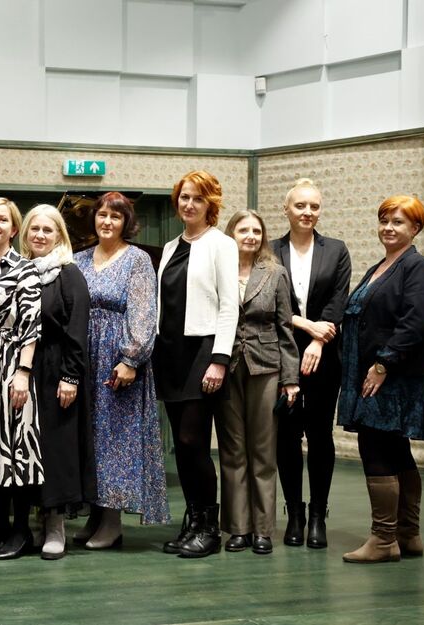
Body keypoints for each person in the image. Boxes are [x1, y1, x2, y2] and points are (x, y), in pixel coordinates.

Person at [337, 195, 424, 564]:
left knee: (377, 448)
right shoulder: (381, 266)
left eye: (398, 221)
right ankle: (407, 535)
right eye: (384, 220)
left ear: (415, 228)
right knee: (396, 450)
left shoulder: (418, 267)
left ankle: (384, 539)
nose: (389, 227)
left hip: (389, 376)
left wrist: (382, 365)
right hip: (373, 373)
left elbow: (415, 321)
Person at [72, 192, 170, 551]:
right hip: (84, 357)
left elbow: (144, 313)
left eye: (115, 216)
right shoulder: (78, 259)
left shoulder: (138, 260)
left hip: (117, 357)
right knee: (90, 436)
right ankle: (95, 513)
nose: (107, 222)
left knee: (115, 438)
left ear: (126, 222)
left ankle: (112, 520)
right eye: (102, 215)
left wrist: (130, 359)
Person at [154, 170, 239, 558]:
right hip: (169, 354)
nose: (189, 204)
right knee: (182, 450)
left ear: (210, 206)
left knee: (193, 442)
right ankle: (192, 520)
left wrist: (219, 360)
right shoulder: (171, 246)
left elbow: (228, 306)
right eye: (184, 197)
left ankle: (209, 529)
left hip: (203, 352)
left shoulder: (222, 244)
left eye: (197, 199)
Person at [271, 178, 351, 549]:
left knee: (319, 436)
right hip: (281, 356)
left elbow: (338, 303)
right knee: (286, 437)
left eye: (314, 206)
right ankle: (295, 514)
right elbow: (269, 306)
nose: (307, 212)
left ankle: (318, 514)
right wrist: (305, 327)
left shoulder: (336, 250)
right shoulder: (269, 252)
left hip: (326, 358)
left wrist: (319, 340)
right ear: (286, 209)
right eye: (300, 205)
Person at [217, 210, 300, 555]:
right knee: (232, 450)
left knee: (263, 451)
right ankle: (239, 528)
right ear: (231, 233)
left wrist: (290, 379)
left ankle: (263, 529)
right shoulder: (218, 269)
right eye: (243, 229)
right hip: (225, 365)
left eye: (256, 231)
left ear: (262, 236)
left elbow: (285, 328)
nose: (249, 236)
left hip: (265, 367)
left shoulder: (276, 273)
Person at [0, 198, 42, 561]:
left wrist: (23, 373)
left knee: (18, 447)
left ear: (14, 229)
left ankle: (21, 530)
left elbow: (32, 325)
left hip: (13, 363)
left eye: (3, 219)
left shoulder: (24, 268)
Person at [19, 205, 87, 559]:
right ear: (26, 234)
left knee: (55, 447)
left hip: (58, 368)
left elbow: (77, 330)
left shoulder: (68, 274)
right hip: (24, 370)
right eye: (35, 229)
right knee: (29, 446)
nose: (41, 235)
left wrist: (70, 376)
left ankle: (55, 523)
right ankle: (29, 520)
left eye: (48, 229)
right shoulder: (20, 272)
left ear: (59, 235)